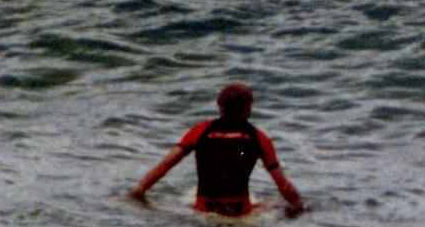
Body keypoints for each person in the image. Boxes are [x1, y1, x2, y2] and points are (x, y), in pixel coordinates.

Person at [129, 82, 307, 216]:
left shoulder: (199, 131)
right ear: (249, 108)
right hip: (240, 212)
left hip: (205, 210)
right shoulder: (259, 138)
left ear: (219, 106)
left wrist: (139, 190)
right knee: (275, 204)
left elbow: (165, 166)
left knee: (182, 198)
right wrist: (300, 206)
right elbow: (283, 185)